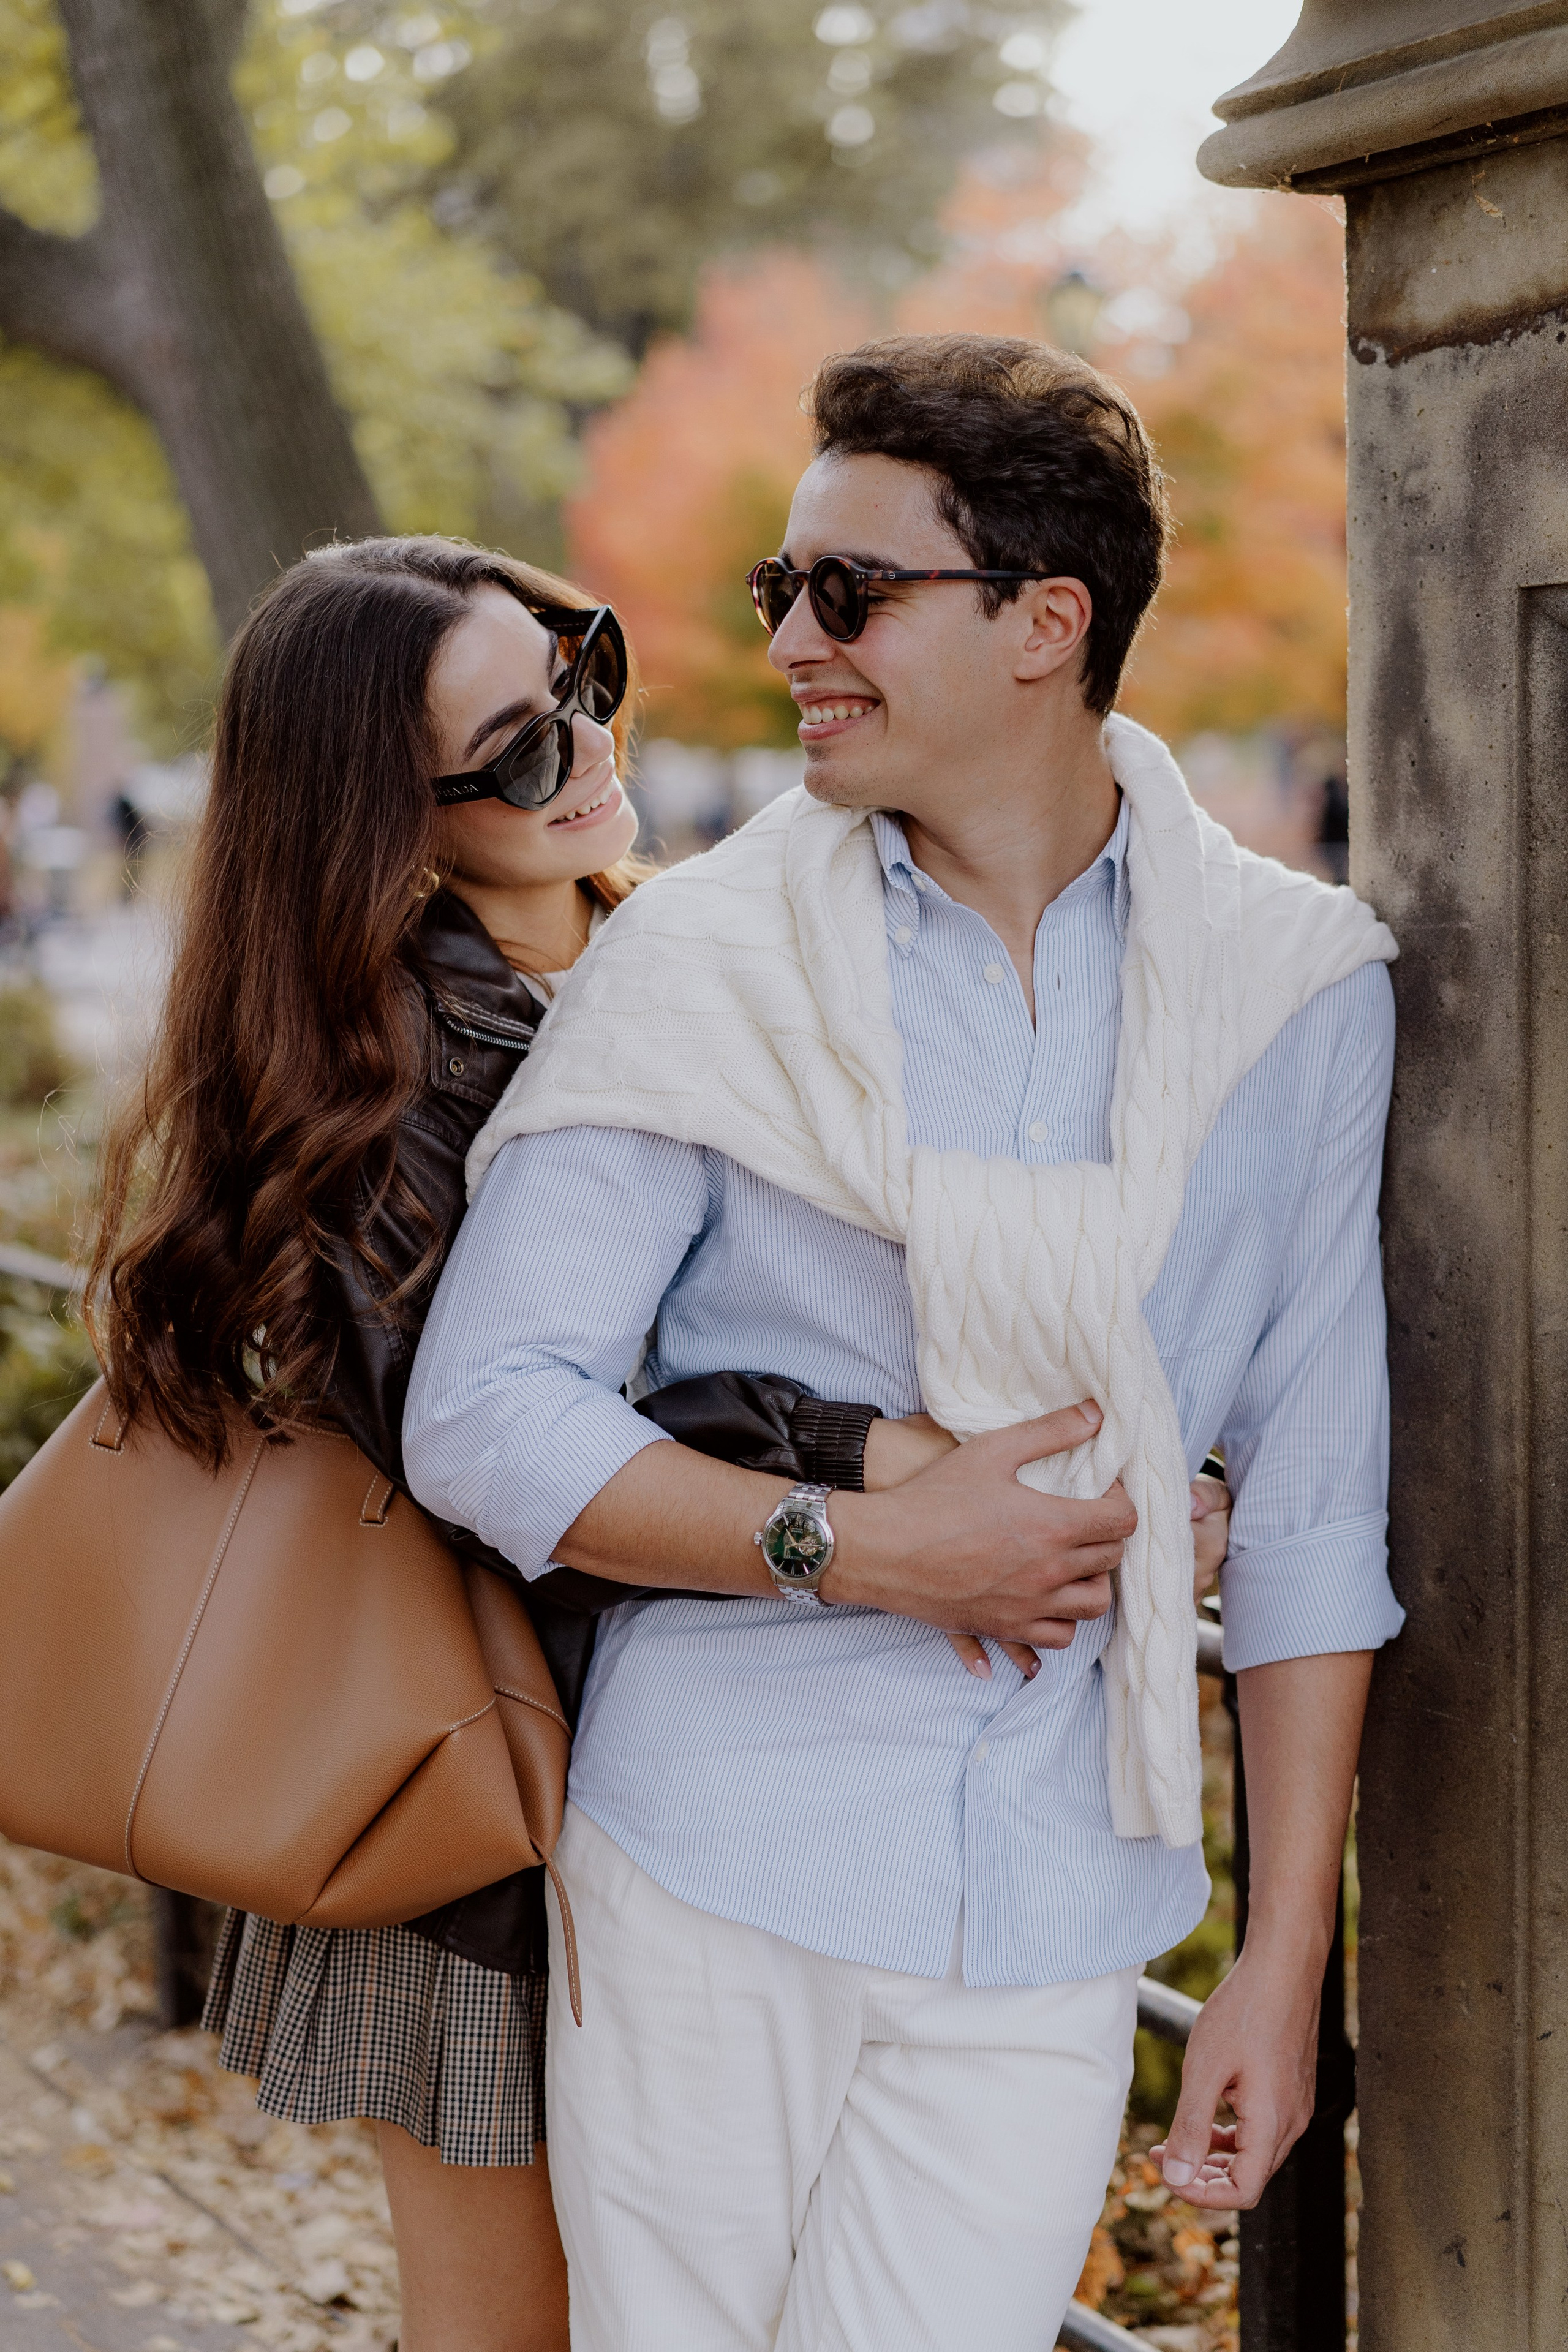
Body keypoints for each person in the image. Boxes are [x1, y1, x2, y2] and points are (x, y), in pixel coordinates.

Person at [405, 335, 1403, 2352]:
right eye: (784, 591)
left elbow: (1311, 1509)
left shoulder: (1297, 995)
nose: (792, 644)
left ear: (1048, 622)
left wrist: (1282, 1964)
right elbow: (488, 1417)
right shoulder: (702, 958)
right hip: (712, 1858)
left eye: (849, 593)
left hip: (1053, 1900)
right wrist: (862, 1544)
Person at [86, 535, 1073, 2352]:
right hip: (472, 1808)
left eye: (583, 674)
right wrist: (857, 1449)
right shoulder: (383, 1086)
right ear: (378, 820)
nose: (591, 744)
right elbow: (502, 1430)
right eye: (522, 747)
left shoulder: (656, 943)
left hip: (693, 1775)